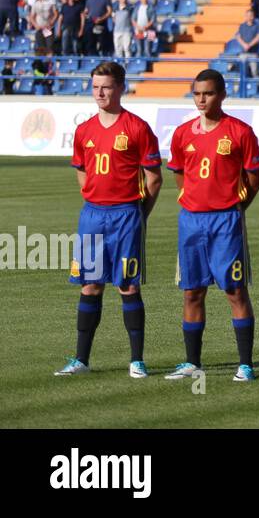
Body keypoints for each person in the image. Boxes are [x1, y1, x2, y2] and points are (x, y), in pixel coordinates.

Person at [55, 62, 163, 378]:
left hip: (125, 214)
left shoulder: (137, 128)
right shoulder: (84, 130)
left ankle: (137, 361)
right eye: (95, 87)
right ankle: (81, 360)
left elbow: (154, 178)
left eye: (106, 87)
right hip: (92, 215)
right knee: (90, 286)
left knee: (127, 286)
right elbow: (80, 169)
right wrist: (92, 198)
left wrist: (140, 214)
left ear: (120, 88)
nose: (100, 93)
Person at [163, 70, 259, 382]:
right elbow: (179, 172)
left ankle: (245, 364)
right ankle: (193, 362)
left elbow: (254, 178)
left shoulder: (240, 132)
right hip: (191, 221)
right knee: (192, 292)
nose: (202, 99)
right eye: (197, 94)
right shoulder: (182, 134)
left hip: (226, 222)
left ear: (221, 95)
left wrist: (233, 205)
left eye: (207, 93)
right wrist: (191, 197)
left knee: (234, 291)